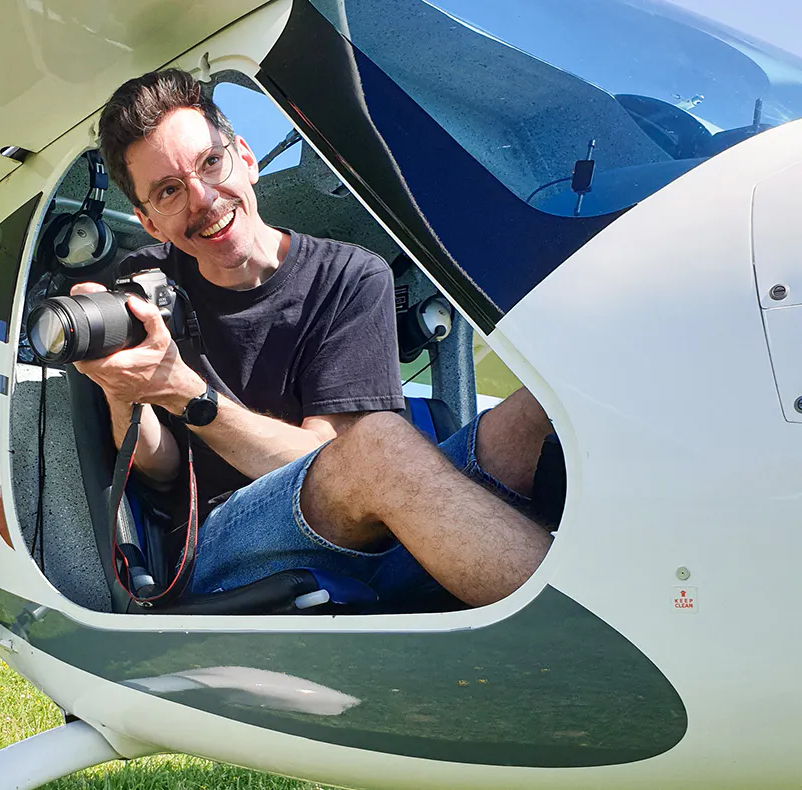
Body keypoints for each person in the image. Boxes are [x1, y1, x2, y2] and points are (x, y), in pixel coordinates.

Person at [71, 68, 552, 610]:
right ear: (150, 222)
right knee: (379, 444)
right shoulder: (147, 285)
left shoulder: (352, 276)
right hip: (223, 543)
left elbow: (334, 460)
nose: (202, 198)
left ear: (245, 158)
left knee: (536, 414)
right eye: (168, 191)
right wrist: (122, 389)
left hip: (363, 517)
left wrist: (188, 394)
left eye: (210, 163)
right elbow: (159, 473)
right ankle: (583, 631)